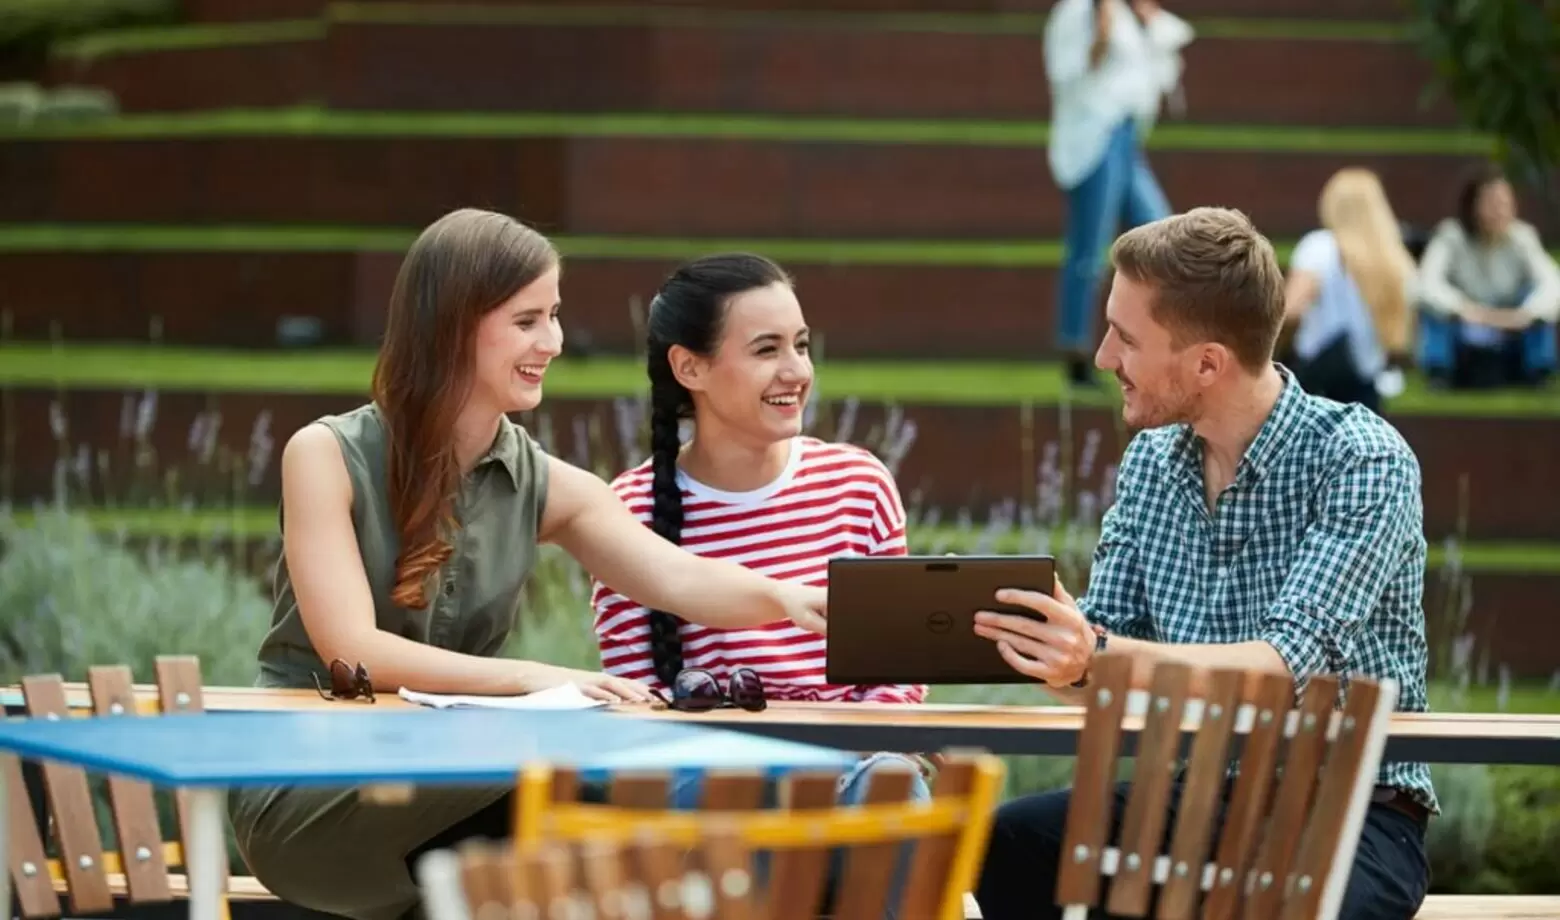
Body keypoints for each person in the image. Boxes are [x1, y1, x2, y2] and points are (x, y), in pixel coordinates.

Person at [227, 210, 830, 920]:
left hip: (459, 785)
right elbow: (351, 651)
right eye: (527, 321)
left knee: (615, 832)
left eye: (554, 316)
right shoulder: (326, 456)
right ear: (453, 325)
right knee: (591, 797)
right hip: (316, 787)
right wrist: (538, 683)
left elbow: (677, 578)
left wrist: (795, 599)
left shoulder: (544, 483)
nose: (553, 341)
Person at [969, 208, 1437, 920]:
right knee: (1014, 841)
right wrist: (1055, 648)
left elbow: (1286, 667)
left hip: (1351, 814)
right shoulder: (1154, 463)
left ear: (1208, 364)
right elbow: (1107, 663)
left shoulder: (1360, 460)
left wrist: (1095, 652)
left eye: (1125, 339)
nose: (1102, 358)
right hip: (1205, 799)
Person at [589, 252, 931, 914]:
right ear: (690, 368)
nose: (796, 371)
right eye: (767, 349)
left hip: (862, 767)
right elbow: (639, 701)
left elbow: (901, 666)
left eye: (801, 346)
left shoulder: (858, 486)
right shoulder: (625, 512)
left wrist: (852, 748)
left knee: (887, 781)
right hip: (710, 786)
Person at [1045, 0, 1193, 387]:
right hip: (1097, 139)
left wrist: (1146, 19)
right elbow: (1066, 74)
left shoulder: (1129, 14)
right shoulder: (1078, 12)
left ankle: (1162, 348)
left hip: (1127, 140)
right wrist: (1101, 36)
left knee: (1163, 236)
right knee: (1090, 248)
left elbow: (1163, 60)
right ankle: (1076, 353)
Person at [1282, 167, 1419, 411]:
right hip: (1367, 386)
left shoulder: (1319, 247)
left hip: (1319, 382)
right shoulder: (1394, 258)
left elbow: (1292, 311)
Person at [1416, 163, 1560, 389]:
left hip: (1512, 324)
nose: (1500, 210)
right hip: (1465, 324)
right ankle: (1439, 373)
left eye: (1505, 203)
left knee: (1536, 298)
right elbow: (1426, 284)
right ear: (1472, 205)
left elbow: (1552, 284)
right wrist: (1464, 309)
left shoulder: (1522, 237)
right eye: (1492, 203)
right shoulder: (1451, 236)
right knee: (1433, 308)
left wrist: (1526, 314)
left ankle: (1539, 372)